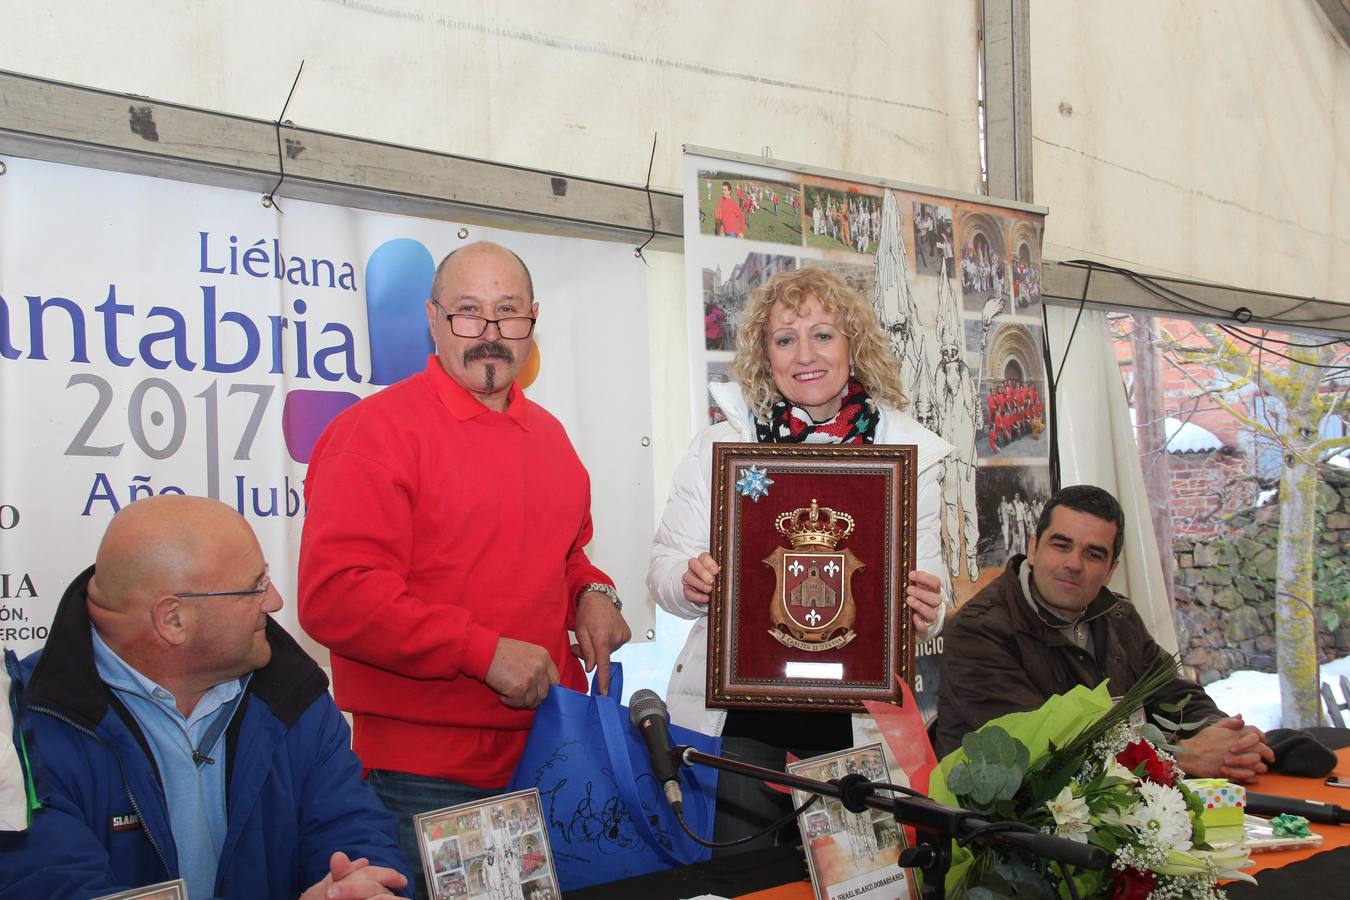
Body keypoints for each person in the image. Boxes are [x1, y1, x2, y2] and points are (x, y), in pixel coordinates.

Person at [298, 241, 630, 898]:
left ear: (533, 319)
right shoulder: (376, 431)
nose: (489, 335)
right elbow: (336, 597)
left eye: (507, 314)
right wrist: (481, 652)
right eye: (468, 314)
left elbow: (568, 555)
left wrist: (592, 592)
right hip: (422, 779)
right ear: (432, 319)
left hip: (549, 759)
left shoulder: (552, 438)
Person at [648, 267, 954, 853]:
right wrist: (688, 583)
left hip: (856, 724)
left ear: (852, 346)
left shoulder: (910, 455)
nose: (804, 354)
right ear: (766, 355)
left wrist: (928, 605)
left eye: (823, 334)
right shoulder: (723, 448)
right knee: (745, 885)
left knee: (858, 887)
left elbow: (931, 594)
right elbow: (663, 566)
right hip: (741, 725)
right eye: (785, 339)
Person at [0, 495, 410, 899]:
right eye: (256, 586)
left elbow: (353, 829)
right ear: (174, 620)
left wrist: (357, 885)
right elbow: (49, 882)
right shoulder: (22, 727)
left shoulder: (293, 694)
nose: (275, 601)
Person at [936, 485, 1274, 782]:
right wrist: (1181, 756)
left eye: (1093, 553)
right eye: (1061, 545)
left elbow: (1178, 697)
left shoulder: (1118, 616)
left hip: (1114, 814)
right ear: (1034, 547)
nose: (1073, 564)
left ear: (1111, 569)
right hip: (1002, 833)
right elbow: (1043, 756)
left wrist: (1224, 738)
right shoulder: (980, 629)